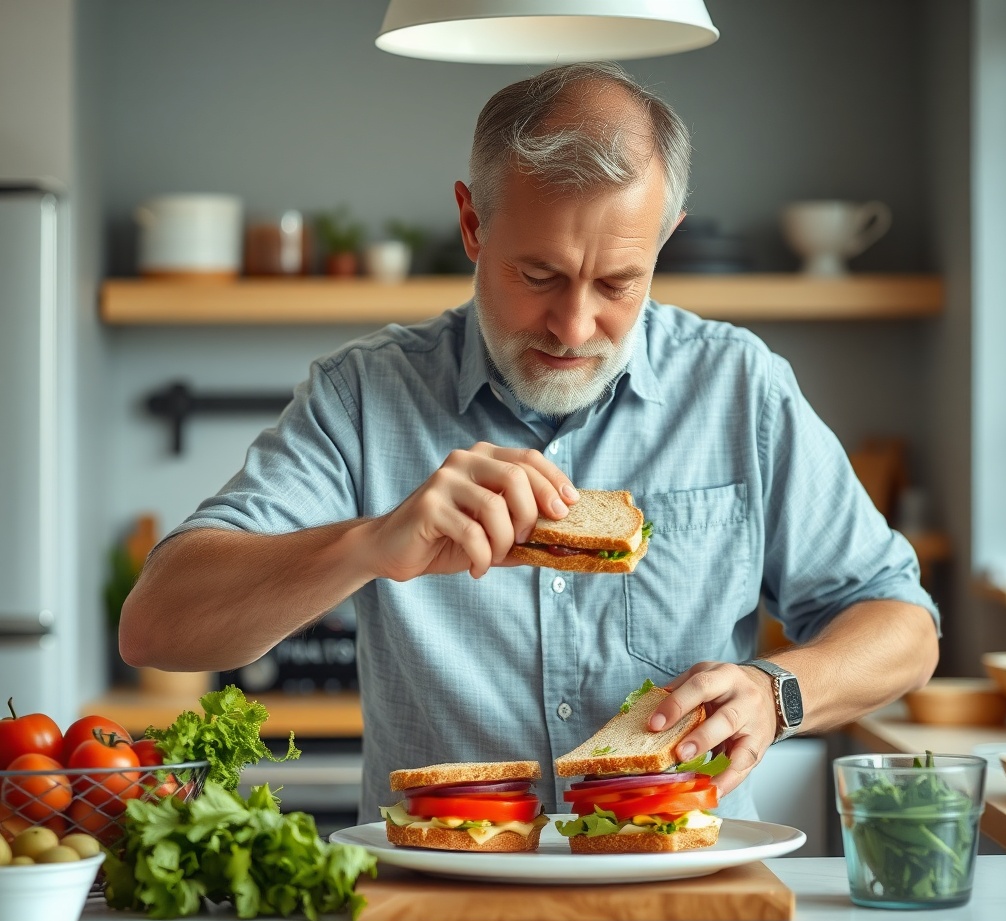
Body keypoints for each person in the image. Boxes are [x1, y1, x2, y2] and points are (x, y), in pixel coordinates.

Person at [120, 61, 939, 823]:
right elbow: (156, 627)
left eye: (619, 282)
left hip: (683, 912)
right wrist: (371, 543)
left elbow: (904, 624)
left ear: (663, 241)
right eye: (539, 276)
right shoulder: (363, 397)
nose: (575, 327)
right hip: (441, 914)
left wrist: (778, 691)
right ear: (473, 226)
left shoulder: (741, 389)